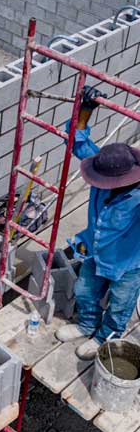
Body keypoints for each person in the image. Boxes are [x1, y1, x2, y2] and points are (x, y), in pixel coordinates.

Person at [56, 85, 140, 360]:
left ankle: (105, 337)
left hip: (128, 264)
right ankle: (86, 325)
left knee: (120, 305)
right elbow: (77, 139)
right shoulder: (104, 164)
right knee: (84, 289)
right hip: (95, 249)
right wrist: (87, 108)